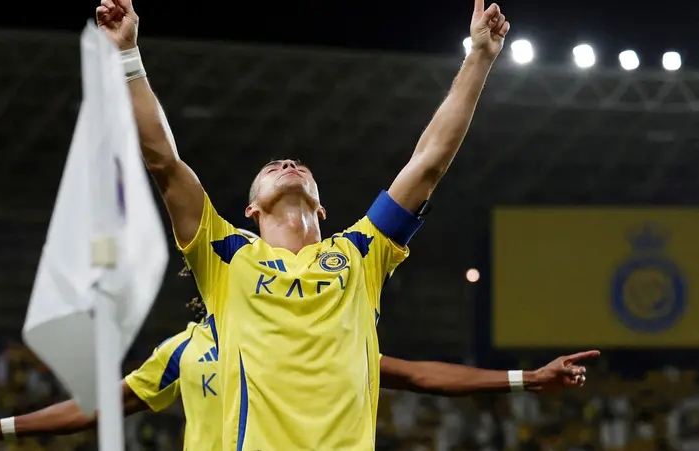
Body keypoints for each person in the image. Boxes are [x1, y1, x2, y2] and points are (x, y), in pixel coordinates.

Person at [93, 0, 521, 448]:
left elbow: (428, 162)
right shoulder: (224, 256)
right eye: (273, 167)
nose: (287, 164)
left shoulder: (361, 252)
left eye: (298, 166)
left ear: (321, 208)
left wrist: (479, 57)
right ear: (251, 210)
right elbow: (165, 161)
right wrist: (127, 56)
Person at [0, 247, 599, 451]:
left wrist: (523, 378)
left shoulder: (304, 335)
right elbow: (98, 407)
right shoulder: (182, 349)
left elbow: (417, 374)